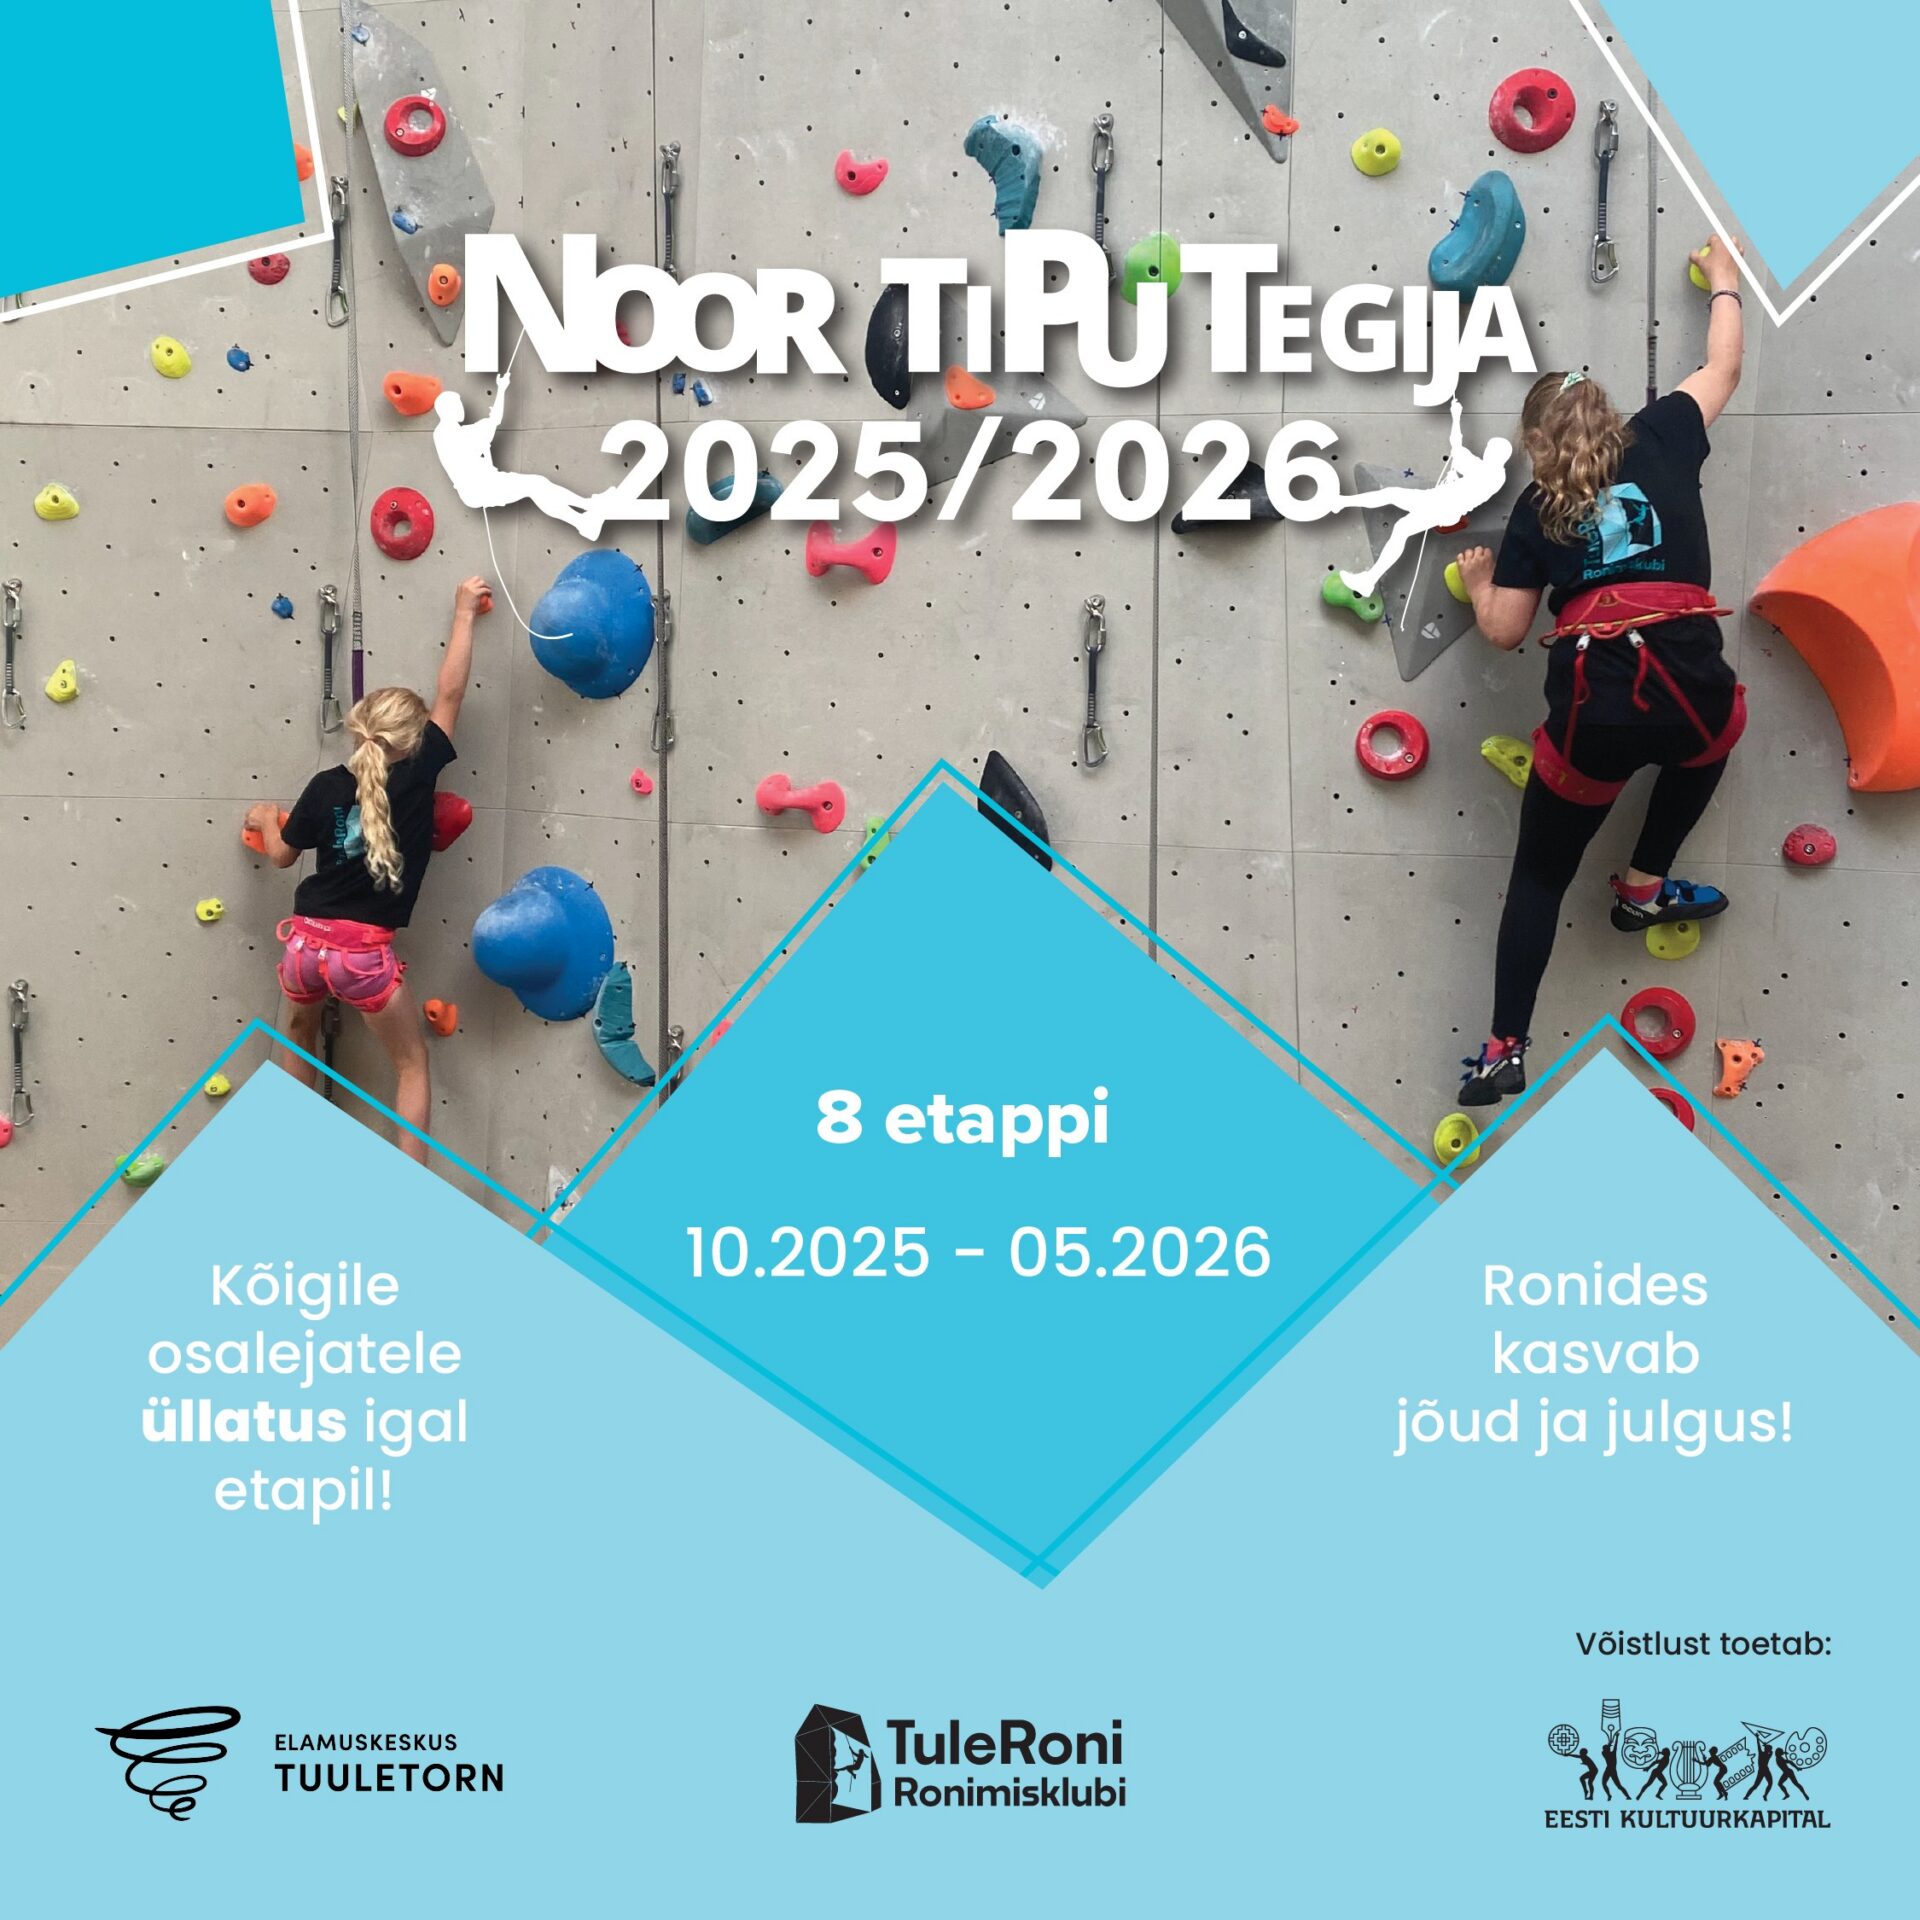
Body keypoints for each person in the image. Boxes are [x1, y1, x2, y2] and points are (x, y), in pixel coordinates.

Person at [1450, 238, 1746, 1107]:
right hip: (1688, 692)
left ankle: (1504, 1049)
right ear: (1609, 415)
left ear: (1536, 444)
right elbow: (1723, 365)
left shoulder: (1536, 509)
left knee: (1540, 878)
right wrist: (1723, 281)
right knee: (1719, 728)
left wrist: (1479, 582)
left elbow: (1506, 633)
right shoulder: (1665, 432)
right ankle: (1644, 885)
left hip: (1595, 716)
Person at [245, 578, 491, 1162]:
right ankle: (412, 1183)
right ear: (415, 740)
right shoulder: (419, 773)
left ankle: (285, 1154)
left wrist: (266, 820)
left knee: (299, 1036)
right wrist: (463, 612)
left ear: (359, 725)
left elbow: (282, 856)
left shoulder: (325, 785)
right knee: (411, 1063)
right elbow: (451, 692)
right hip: (361, 958)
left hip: (304, 946)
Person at [1335, 397, 1513, 598]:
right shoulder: (1493, 473)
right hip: (1438, 501)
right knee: (1392, 498)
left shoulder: (1489, 473)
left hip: (1442, 506)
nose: (1488, 452)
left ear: (1499, 456)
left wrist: (1456, 417)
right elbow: (1459, 453)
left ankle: (1368, 579)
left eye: (1492, 450)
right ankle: (1342, 503)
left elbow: (1456, 448)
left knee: (1400, 525)